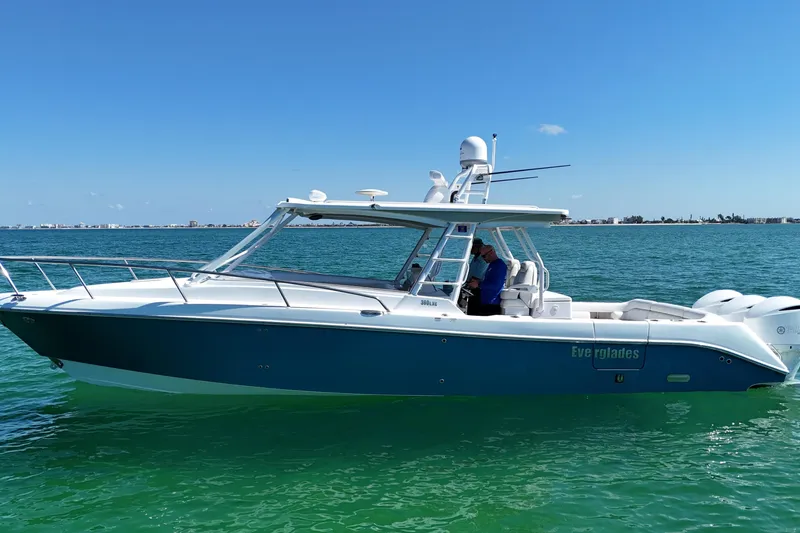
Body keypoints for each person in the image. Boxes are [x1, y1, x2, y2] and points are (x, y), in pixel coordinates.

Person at [466, 245, 507, 316]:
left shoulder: (499, 266)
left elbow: (496, 285)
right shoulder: (492, 265)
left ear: (491, 253)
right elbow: (489, 281)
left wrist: (478, 284)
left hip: (491, 303)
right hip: (485, 300)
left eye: (484, 256)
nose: (483, 259)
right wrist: (477, 282)